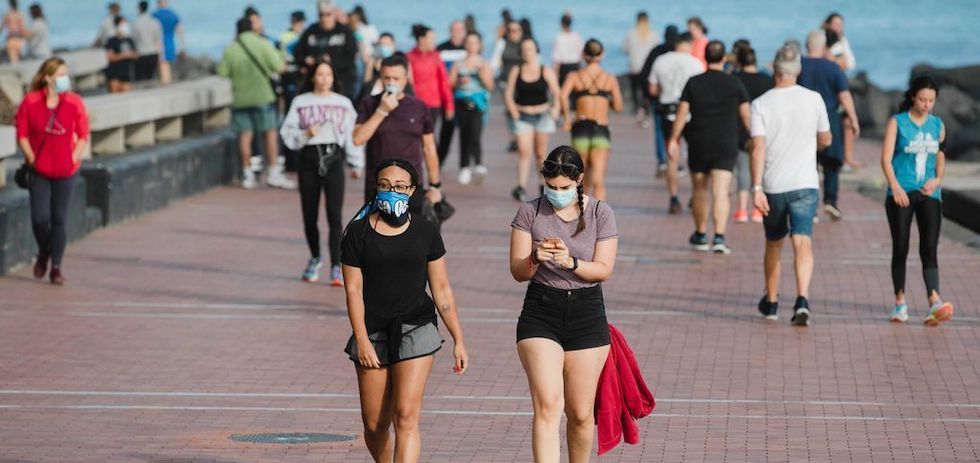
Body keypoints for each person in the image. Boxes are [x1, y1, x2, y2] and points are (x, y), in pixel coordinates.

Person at [342, 158, 468, 463]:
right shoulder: (357, 233)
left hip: (417, 328)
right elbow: (353, 290)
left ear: (412, 190)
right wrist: (362, 339)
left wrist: (458, 339)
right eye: (385, 186)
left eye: (400, 187)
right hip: (373, 331)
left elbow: (442, 289)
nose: (392, 192)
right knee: (375, 427)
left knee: (406, 416)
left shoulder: (426, 231)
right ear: (376, 187)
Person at [509, 145, 618, 463]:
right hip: (541, 311)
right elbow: (517, 272)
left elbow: (604, 269)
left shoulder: (600, 213)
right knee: (547, 404)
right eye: (551, 187)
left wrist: (570, 262)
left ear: (579, 180)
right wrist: (535, 257)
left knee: (581, 413)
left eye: (564, 187)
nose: (557, 194)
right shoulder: (529, 212)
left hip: (587, 311)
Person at [750, 44, 831, 326]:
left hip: (773, 185)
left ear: (775, 69)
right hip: (805, 182)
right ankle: (802, 299)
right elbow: (826, 139)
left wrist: (756, 188)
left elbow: (757, 148)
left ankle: (772, 302)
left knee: (774, 243)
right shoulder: (814, 99)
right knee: (802, 241)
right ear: (798, 69)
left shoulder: (761, 104)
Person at [281, 60, 363, 287]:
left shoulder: (343, 103)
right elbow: (287, 133)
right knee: (309, 214)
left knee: (334, 215)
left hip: (334, 158)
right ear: (313, 77)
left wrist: (356, 163)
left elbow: (352, 133)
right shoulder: (301, 102)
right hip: (308, 158)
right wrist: (306, 134)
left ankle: (336, 265)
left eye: (328, 74)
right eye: (320, 74)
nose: (324, 78)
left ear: (333, 77)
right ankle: (315, 257)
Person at [880, 76, 953, 326]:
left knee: (929, 248)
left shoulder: (938, 125)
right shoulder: (898, 122)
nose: (926, 105)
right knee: (901, 246)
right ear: (913, 97)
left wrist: (938, 179)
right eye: (922, 99)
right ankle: (900, 302)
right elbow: (886, 159)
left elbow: (941, 154)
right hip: (901, 192)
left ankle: (934, 300)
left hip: (929, 193)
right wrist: (895, 186)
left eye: (931, 100)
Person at [667, 40, 749, 254]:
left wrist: (674, 139)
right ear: (724, 58)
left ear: (705, 57)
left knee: (700, 189)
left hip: (699, 142)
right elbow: (746, 114)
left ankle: (701, 234)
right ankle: (719, 237)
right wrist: (753, 137)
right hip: (726, 142)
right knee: (721, 191)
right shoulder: (735, 83)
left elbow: (682, 113)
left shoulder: (694, 82)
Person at [15, 57, 90, 285]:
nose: (65, 79)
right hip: (39, 169)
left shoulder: (74, 102)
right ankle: (44, 251)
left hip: (66, 170)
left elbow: (83, 133)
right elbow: (22, 134)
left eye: (66, 75)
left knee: (59, 218)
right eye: (60, 75)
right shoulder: (31, 101)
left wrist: (73, 156)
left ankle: (56, 267)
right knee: (40, 218)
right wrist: (31, 157)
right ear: (47, 78)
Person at [352, 54, 443, 214]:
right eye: (387, 78)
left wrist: (435, 185)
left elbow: (429, 148)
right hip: (379, 185)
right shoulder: (369, 103)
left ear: (405, 79)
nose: (391, 82)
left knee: (412, 229)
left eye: (396, 78)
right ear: (380, 78)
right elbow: (358, 139)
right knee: (376, 229)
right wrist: (382, 111)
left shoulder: (418, 106)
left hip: (411, 186)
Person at [218, 17, 293, 190]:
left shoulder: (231, 48)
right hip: (263, 97)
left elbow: (222, 72)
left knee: (245, 137)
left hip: (240, 99)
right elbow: (278, 66)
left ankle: (247, 174)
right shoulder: (262, 43)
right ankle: (273, 172)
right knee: (270, 134)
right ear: (252, 28)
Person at [798, 30, 859, 221]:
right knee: (832, 163)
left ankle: (811, 206)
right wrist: (853, 118)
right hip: (830, 118)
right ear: (824, 46)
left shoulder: (799, 66)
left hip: (803, 120)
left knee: (808, 164)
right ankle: (830, 201)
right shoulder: (833, 68)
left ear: (807, 45)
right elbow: (844, 95)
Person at [560, 39, 622, 201]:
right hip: (601, 128)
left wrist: (567, 118)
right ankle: (600, 214)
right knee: (598, 179)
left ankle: (581, 211)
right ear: (602, 55)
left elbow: (562, 95)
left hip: (581, 127)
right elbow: (618, 106)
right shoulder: (609, 78)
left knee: (580, 175)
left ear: (583, 55)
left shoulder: (575, 76)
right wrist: (605, 100)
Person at [648, 32, 702, 214]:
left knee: (672, 156)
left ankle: (674, 197)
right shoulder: (695, 63)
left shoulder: (661, 61)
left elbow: (652, 89)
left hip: (668, 112)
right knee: (695, 156)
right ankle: (695, 194)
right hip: (691, 114)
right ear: (689, 44)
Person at [505, 38, 561, 202]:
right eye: (524, 49)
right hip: (523, 116)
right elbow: (508, 93)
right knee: (524, 151)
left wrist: (556, 109)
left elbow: (557, 93)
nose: (527, 52)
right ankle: (520, 187)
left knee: (540, 153)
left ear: (536, 50)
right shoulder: (516, 70)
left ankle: (542, 185)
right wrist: (514, 112)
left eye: (530, 48)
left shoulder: (545, 70)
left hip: (543, 116)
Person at [732, 47, 773, 224]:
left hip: (741, 130)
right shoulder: (767, 80)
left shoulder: (735, 79)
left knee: (743, 170)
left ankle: (742, 210)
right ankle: (758, 209)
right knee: (760, 168)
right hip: (763, 129)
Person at [449, 31, 493, 186]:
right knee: (464, 134)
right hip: (461, 102)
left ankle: (478, 164)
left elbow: (490, 86)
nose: (471, 45)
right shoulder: (458, 63)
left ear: (479, 45)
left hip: (478, 103)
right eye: (468, 42)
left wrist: (481, 75)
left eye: (474, 42)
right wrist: (459, 82)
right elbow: (450, 83)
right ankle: (464, 167)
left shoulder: (484, 63)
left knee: (475, 134)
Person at [407, 24, 454, 168]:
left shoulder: (435, 57)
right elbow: (408, 83)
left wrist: (449, 105)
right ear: (422, 39)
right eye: (431, 38)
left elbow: (444, 82)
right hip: (415, 104)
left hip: (433, 104)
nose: (434, 41)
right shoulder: (409, 57)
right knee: (415, 136)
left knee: (429, 137)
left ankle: (434, 169)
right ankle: (417, 167)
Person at [294, 3, 358, 100]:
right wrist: (306, 60)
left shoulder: (345, 31)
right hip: (314, 85)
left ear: (334, 14)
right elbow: (298, 52)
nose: (324, 18)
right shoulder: (310, 31)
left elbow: (351, 56)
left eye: (328, 15)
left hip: (341, 82)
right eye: (321, 15)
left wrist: (330, 63)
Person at [823, 12, 861, 171]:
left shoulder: (842, 41)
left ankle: (847, 157)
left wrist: (835, 60)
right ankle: (827, 158)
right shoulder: (820, 39)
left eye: (840, 25)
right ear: (827, 24)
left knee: (846, 120)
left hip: (839, 84)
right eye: (835, 24)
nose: (838, 27)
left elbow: (850, 63)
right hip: (825, 86)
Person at [639, 25, 678, 176]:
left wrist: (647, 96)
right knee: (677, 130)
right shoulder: (680, 53)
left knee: (660, 130)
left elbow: (645, 74)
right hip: (677, 99)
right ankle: (674, 159)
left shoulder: (656, 52)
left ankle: (662, 161)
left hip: (658, 98)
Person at [435, 20, 467, 161]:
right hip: (444, 95)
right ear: (450, 31)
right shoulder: (441, 49)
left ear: (464, 31)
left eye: (460, 30)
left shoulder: (468, 48)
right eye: (454, 29)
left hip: (463, 96)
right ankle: (439, 159)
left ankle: (465, 164)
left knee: (465, 131)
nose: (457, 33)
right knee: (444, 129)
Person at [623, 11, 658, 124]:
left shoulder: (631, 34)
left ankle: (637, 110)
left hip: (634, 66)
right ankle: (645, 111)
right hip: (648, 68)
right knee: (646, 92)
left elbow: (625, 49)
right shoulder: (653, 34)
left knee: (635, 90)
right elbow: (656, 51)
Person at [103, 16, 137, 93]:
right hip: (114, 73)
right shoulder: (111, 40)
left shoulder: (129, 40)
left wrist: (132, 55)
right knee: (115, 94)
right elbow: (110, 57)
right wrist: (123, 55)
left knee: (127, 94)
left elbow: (135, 54)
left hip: (126, 72)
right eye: (123, 23)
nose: (125, 26)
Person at [153, 0, 183, 84]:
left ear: (158, 3)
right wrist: (182, 46)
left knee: (163, 63)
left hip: (160, 41)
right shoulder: (173, 14)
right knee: (169, 62)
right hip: (171, 41)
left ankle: (166, 81)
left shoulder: (155, 15)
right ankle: (169, 80)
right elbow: (179, 30)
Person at [131, 1, 162, 82]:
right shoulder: (155, 22)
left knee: (141, 80)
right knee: (151, 79)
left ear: (140, 8)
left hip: (141, 54)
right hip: (153, 53)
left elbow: (133, 39)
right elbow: (158, 39)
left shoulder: (135, 23)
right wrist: (160, 55)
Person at [551, 12, 582, 87]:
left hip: (564, 68)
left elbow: (557, 58)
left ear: (561, 23)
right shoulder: (576, 36)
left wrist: (555, 74)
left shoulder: (559, 37)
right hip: (575, 66)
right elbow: (581, 54)